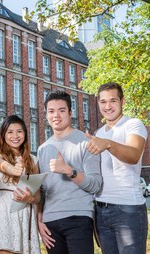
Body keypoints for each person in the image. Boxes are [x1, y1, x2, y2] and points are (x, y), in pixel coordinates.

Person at [86, 82, 148, 254]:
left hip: (128, 209)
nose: (108, 106)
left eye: (113, 100)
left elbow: (133, 155)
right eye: (103, 101)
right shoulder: (99, 133)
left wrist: (107, 144)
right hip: (101, 209)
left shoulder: (133, 124)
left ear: (123, 101)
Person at [37, 90, 102, 254]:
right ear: (46, 114)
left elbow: (95, 185)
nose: (56, 115)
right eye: (51, 111)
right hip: (50, 222)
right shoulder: (43, 149)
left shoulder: (86, 142)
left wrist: (68, 170)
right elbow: (42, 192)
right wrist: (39, 220)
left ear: (70, 113)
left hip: (79, 217)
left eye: (61, 110)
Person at [0, 115, 41, 254]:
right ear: (3, 135)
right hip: (4, 210)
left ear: (25, 134)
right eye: (10, 132)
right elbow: (3, 166)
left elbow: (38, 196)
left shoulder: (33, 160)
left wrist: (30, 199)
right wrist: (14, 169)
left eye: (19, 131)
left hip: (26, 211)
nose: (15, 135)